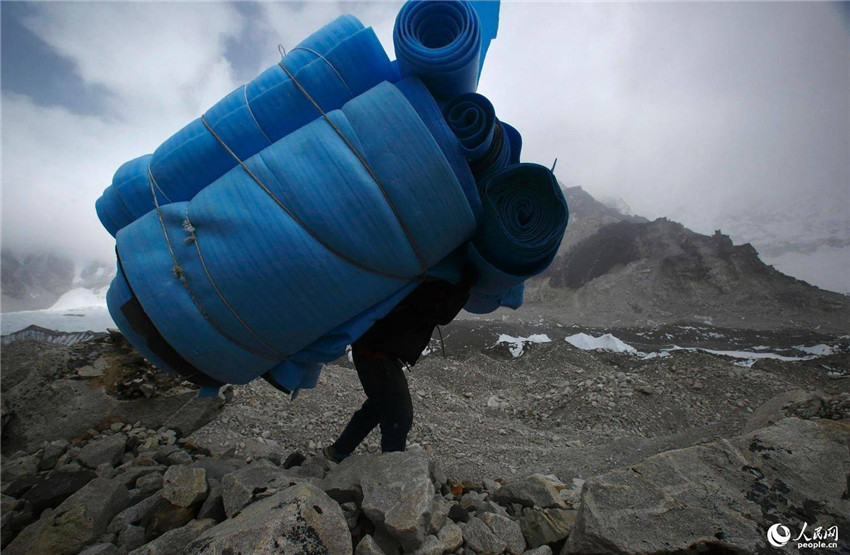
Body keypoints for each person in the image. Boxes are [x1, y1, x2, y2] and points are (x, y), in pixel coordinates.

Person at [323, 266, 477, 462]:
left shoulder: (420, 276)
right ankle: (393, 471)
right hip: (376, 353)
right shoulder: (427, 287)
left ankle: (338, 452)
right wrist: (465, 285)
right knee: (399, 415)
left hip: (372, 348)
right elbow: (442, 314)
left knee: (379, 404)